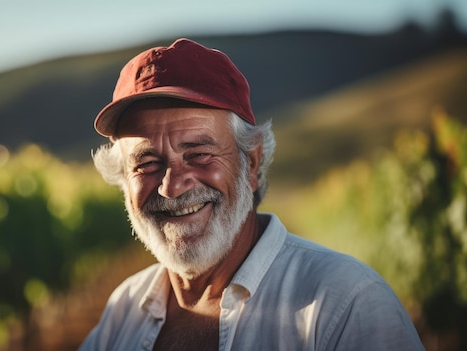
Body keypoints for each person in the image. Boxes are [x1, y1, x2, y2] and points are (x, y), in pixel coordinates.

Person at [80, 38, 424, 351]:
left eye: (198, 154)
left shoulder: (346, 303)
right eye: (147, 163)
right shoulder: (122, 311)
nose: (172, 186)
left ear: (252, 164)